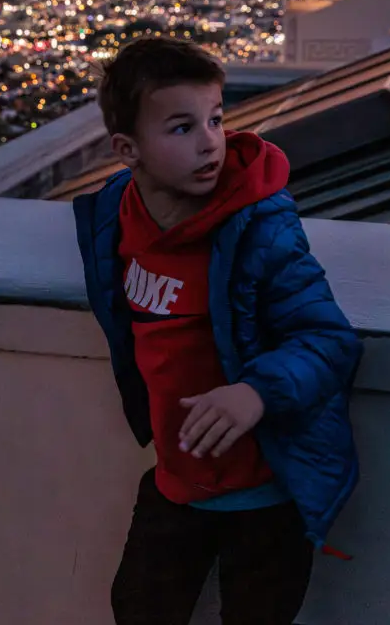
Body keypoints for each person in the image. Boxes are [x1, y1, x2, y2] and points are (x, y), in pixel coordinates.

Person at [73, 37, 362, 625]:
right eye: (181, 127)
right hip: (175, 482)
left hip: (265, 494)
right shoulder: (113, 216)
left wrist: (255, 392)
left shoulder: (260, 229)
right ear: (128, 149)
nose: (210, 140)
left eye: (216, 118)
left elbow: (330, 341)